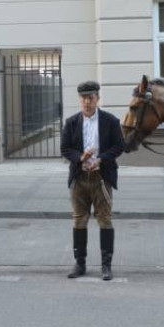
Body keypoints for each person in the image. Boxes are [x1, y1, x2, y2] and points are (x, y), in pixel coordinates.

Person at [61, 80, 124, 281]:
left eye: (90, 98)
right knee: (79, 219)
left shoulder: (110, 121)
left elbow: (119, 146)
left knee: (104, 219)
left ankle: (106, 265)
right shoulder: (71, 122)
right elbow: (65, 149)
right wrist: (80, 157)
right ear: (79, 100)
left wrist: (101, 159)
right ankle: (80, 263)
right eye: (83, 98)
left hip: (101, 178)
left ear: (97, 98)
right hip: (80, 178)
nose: (87, 102)